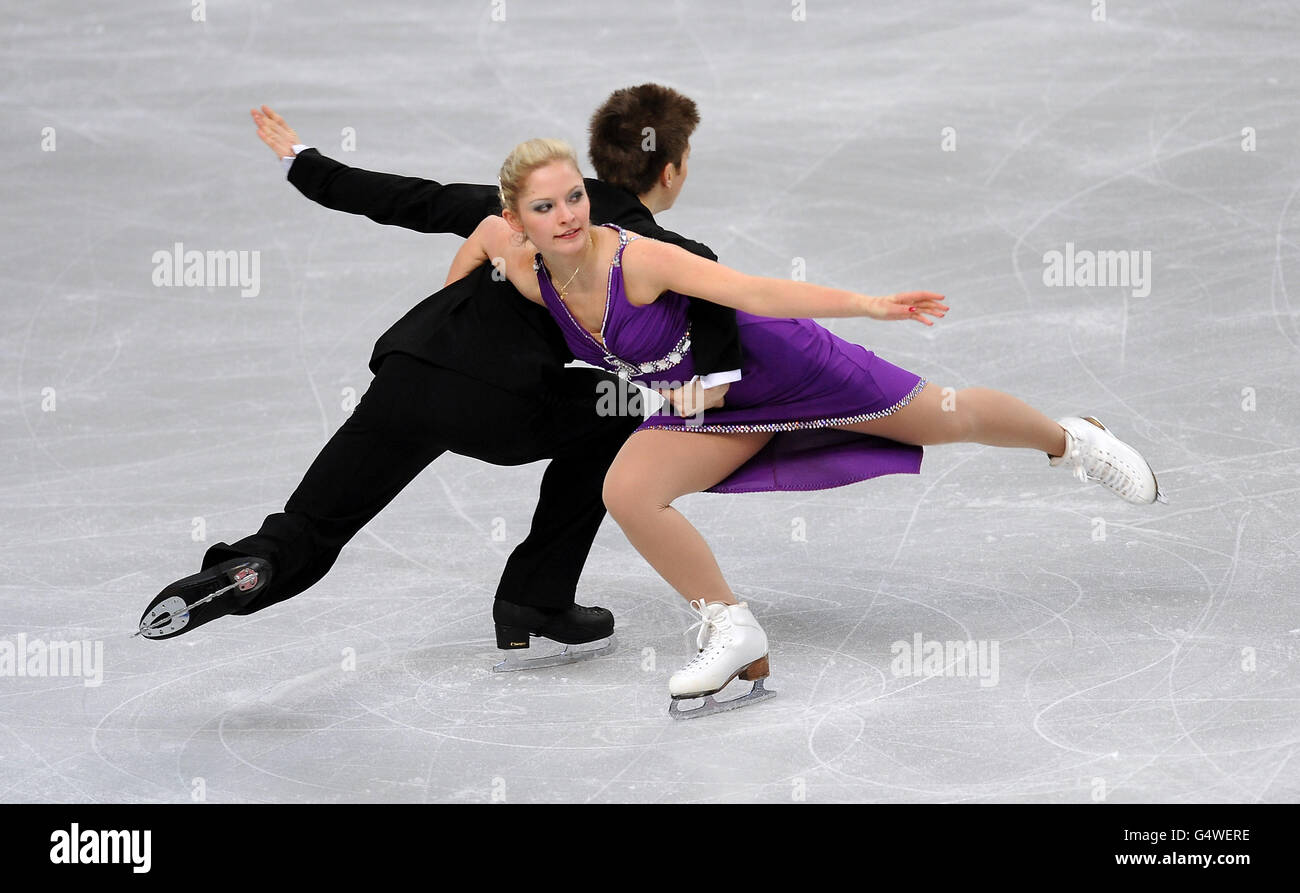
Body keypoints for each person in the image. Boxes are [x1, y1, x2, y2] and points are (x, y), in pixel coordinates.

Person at [446, 138, 1166, 716]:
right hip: (707, 406)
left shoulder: (640, 258)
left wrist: (868, 304)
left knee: (950, 415)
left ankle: (1073, 439)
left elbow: (754, 291)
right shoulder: (527, 266)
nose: (570, 214)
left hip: (781, 365)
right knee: (628, 491)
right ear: (521, 220)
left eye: (575, 195)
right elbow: (476, 243)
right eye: (547, 206)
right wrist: (438, 337)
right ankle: (732, 628)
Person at [137, 86, 739, 671]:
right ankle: (535, 596)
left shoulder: (525, 205)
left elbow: (406, 197)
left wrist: (303, 161)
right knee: (611, 415)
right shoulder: (658, 250)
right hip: (500, 400)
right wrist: (736, 388)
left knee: (317, 521)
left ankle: (252, 566)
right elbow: (718, 317)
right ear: (672, 170)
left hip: (412, 366)